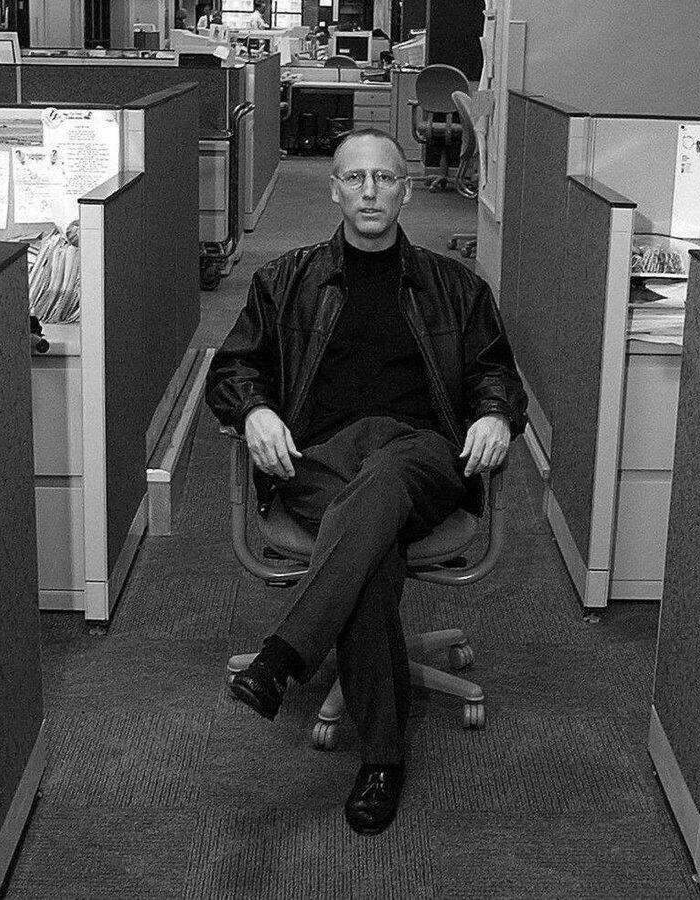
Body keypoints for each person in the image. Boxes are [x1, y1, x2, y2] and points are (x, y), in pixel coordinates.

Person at [206, 128, 526, 837]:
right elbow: (231, 369)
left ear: (406, 191)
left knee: (388, 473)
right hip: (322, 462)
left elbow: (495, 373)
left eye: (384, 178)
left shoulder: (457, 288)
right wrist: (254, 410)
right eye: (355, 178)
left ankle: (282, 656)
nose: (370, 192)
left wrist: (495, 414)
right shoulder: (283, 281)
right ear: (334, 190)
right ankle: (383, 758)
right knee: (370, 549)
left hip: (422, 459)